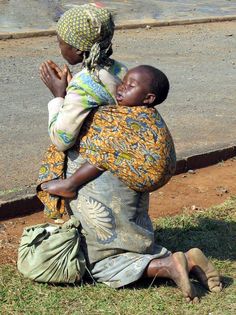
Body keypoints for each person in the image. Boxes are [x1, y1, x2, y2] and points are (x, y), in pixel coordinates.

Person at [38, 4, 222, 301]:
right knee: (132, 235)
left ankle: (168, 265)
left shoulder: (84, 84)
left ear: (76, 48)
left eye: (61, 42)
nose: (59, 47)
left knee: (101, 262)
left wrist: (59, 97)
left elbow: (61, 137)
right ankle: (184, 259)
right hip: (129, 169)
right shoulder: (121, 70)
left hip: (99, 178)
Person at [40, 65, 176, 198]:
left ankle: (70, 185)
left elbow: (66, 137)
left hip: (147, 174)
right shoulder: (142, 112)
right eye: (123, 82)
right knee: (111, 143)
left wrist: (62, 96)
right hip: (161, 172)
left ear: (148, 98)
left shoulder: (132, 118)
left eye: (131, 86)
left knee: (104, 146)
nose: (122, 88)